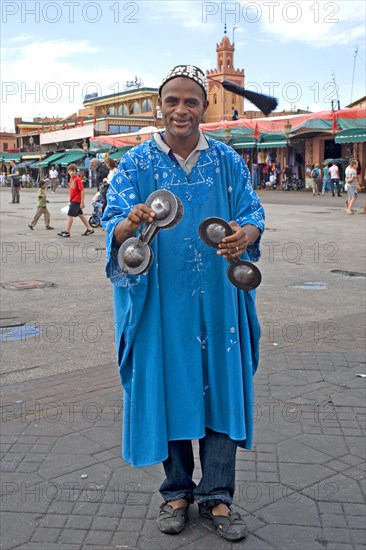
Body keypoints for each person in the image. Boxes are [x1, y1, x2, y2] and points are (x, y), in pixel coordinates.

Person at [102, 65, 265, 542]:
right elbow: (111, 222)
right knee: (167, 388)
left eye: (191, 101)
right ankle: (176, 493)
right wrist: (129, 224)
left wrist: (247, 234)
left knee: (220, 388)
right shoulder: (135, 164)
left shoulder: (228, 161)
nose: (181, 109)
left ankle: (217, 496)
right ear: (160, 106)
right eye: (172, 100)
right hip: (159, 300)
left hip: (218, 298)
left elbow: (252, 212)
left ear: (203, 107)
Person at [57, 163, 94, 237]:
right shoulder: (71, 179)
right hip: (72, 200)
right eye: (71, 171)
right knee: (80, 215)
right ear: (68, 172)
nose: (72, 172)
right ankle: (90, 229)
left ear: (76, 171)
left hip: (76, 200)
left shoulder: (77, 179)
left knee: (70, 215)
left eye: (74, 171)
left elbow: (82, 190)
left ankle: (67, 231)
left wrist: (82, 202)